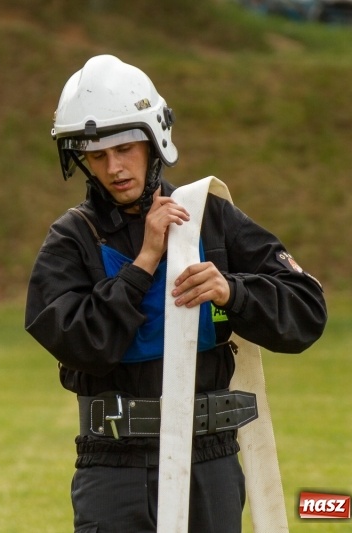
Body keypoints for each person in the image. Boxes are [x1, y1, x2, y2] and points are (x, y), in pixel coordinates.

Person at [24, 54, 327, 533]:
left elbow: (307, 312)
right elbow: (81, 344)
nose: (114, 168)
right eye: (97, 156)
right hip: (113, 467)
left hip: (209, 459)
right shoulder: (72, 239)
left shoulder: (211, 215)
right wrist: (144, 264)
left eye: (124, 148)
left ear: (153, 139)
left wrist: (233, 293)